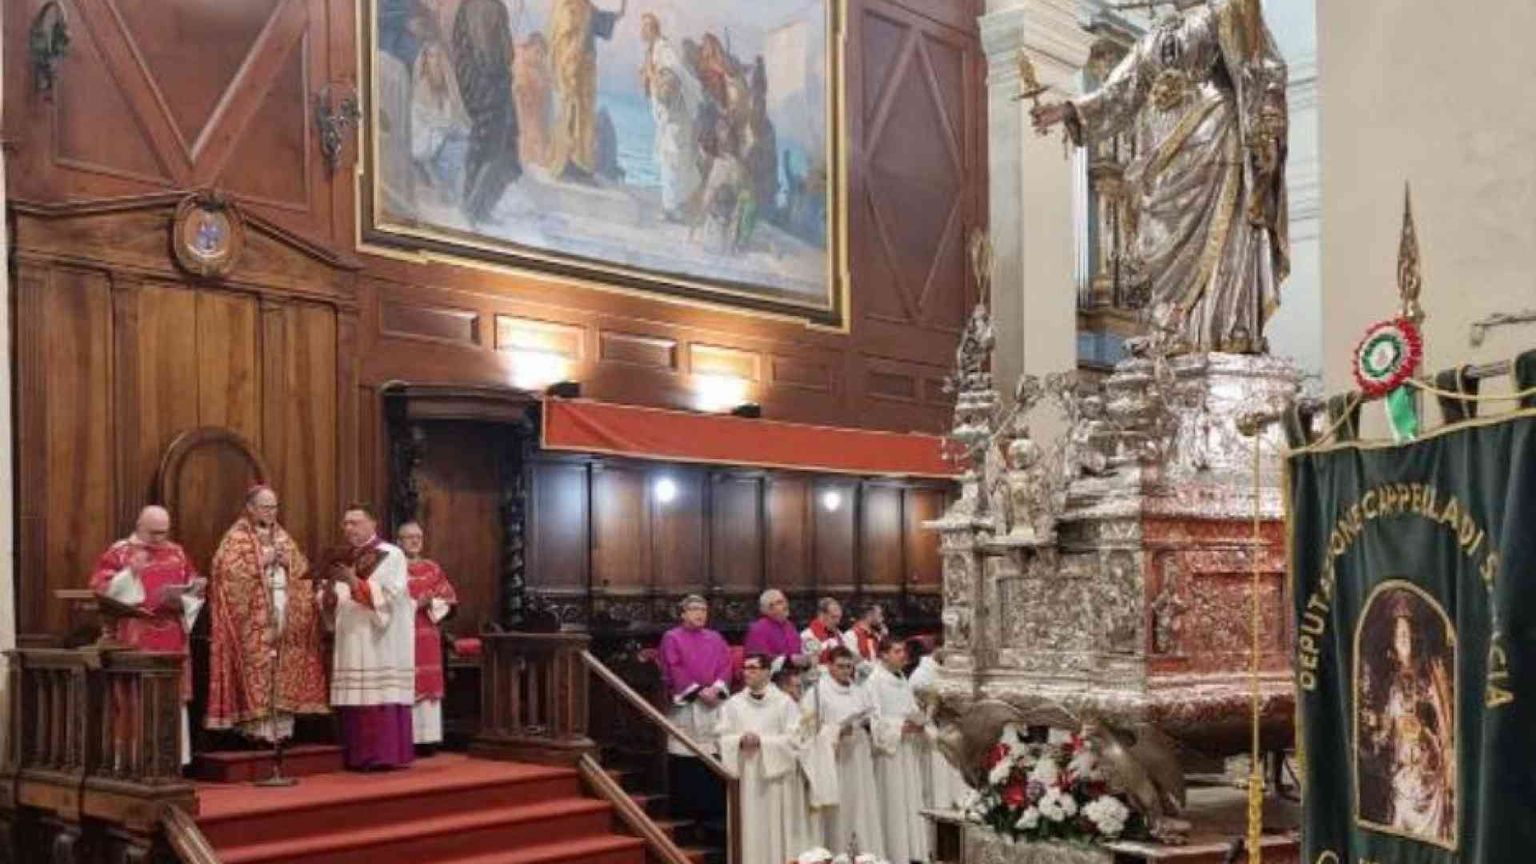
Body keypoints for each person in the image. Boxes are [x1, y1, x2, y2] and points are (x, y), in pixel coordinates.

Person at [1030, 0, 1288, 354]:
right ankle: (1170, 328)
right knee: (1160, 238)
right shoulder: (1152, 38)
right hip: (1160, 151)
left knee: (1220, 232)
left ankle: (1220, 329)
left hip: (1213, 137)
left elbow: (1260, 69)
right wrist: (1069, 110)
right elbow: (1118, 92)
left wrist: (1265, 125)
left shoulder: (1226, 10)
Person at [207, 486, 329, 743]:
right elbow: (226, 573)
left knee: (282, 667)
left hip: (284, 608)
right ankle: (256, 732)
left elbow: (303, 570)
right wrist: (262, 561)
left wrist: (289, 563)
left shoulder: (283, 536)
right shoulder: (237, 537)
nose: (271, 513)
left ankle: (281, 732)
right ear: (250, 508)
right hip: (253, 617)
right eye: (265, 507)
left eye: (274, 507)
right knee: (258, 668)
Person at [90, 506, 206, 764]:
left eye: (163, 532)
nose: (158, 539)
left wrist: (192, 593)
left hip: (172, 635)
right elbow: (100, 589)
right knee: (135, 698)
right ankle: (133, 761)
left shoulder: (176, 552)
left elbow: (192, 583)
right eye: (153, 533)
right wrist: (129, 574)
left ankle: (172, 759)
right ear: (139, 526)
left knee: (171, 698)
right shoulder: (120, 552)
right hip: (134, 636)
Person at [323, 504, 416, 770]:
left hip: (379, 638)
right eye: (346, 523)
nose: (349, 528)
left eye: (355, 522)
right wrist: (328, 590)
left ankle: (383, 755)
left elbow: (388, 596)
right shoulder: (345, 557)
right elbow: (335, 599)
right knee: (356, 697)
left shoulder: (390, 554)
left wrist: (353, 582)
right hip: (351, 632)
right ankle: (357, 755)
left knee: (378, 695)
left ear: (373, 524)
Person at [716, 654, 816, 864]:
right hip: (745, 778)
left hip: (776, 779)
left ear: (768, 672)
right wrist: (739, 740)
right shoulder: (733, 704)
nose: (748, 672)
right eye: (745, 668)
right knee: (748, 827)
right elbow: (720, 737)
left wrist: (762, 742)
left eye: (754, 668)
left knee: (777, 828)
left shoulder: (784, 702)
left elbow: (795, 739)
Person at [658, 594, 732, 828]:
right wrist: (699, 691)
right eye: (694, 609)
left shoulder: (715, 637)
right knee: (687, 755)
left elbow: (726, 663)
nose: (700, 613)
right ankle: (689, 813)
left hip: (714, 703)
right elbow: (674, 666)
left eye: (703, 609)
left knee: (714, 753)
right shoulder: (672, 637)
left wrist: (717, 687)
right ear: (682, 614)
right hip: (688, 704)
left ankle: (714, 811)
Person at [811, 646, 885, 858]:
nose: (846, 671)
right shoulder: (818, 692)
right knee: (840, 809)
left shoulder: (859, 691)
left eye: (849, 666)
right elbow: (808, 731)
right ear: (829, 666)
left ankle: (863, 853)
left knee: (860, 804)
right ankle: (836, 853)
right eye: (840, 666)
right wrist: (836, 731)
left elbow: (872, 716)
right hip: (835, 760)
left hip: (858, 756)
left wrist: (868, 722)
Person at [451, 0, 521, 222]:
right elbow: (490, 54)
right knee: (491, 149)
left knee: (498, 148)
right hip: (490, 87)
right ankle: (474, 209)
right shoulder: (485, 5)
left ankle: (477, 208)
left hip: (487, 86)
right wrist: (499, 70)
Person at [548, 0, 627, 183]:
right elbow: (565, 36)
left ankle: (579, 162)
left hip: (585, 70)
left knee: (583, 117)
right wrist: (570, 67)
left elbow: (597, 23)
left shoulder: (584, 6)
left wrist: (617, 15)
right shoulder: (566, 6)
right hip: (572, 70)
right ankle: (564, 162)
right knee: (570, 114)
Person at [867, 639, 930, 864]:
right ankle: (894, 853)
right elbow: (873, 719)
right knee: (893, 801)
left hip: (907, 748)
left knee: (910, 798)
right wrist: (899, 727)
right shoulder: (874, 681)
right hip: (889, 753)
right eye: (897, 651)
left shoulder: (901, 678)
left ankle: (912, 852)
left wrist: (920, 721)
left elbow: (910, 709)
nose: (903, 655)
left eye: (903, 651)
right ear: (883, 654)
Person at [398, 522, 458, 749]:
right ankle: (408, 738)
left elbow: (448, 596)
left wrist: (432, 602)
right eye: (409, 537)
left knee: (429, 686)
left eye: (418, 537)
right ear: (398, 541)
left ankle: (429, 739)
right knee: (408, 681)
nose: (414, 541)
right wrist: (415, 603)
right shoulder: (393, 566)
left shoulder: (432, 567)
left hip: (428, 631)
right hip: (403, 632)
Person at [640, 13, 702, 220]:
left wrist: (650, 76)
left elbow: (667, 86)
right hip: (669, 119)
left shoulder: (664, 51)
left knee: (673, 161)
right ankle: (674, 206)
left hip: (675, 118)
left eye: (645, 27)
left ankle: (672, 208)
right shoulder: (653, 50)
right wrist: (647, 76)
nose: (641, 30)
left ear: (653, 29)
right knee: (672, 161)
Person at [907, 640, 972, 812]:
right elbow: (920, 705)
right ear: (939, 650)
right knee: (939, 780)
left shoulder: (947, 671)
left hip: (954, 727)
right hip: (935, 729)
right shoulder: (921, 674)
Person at [513, 33, 555, 168]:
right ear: (529, 47)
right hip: (520, 113)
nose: (539, 57)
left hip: (536, 116)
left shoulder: (541, 69)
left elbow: (549, 89)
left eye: (542, 54)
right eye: (537, 52)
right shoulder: (518, 62)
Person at [744, 589, 807, 667]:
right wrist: (789, 660)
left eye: (785, 601)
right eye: (779, 602)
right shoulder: (758, 629)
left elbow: (799, 651)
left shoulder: (789, 625)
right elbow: (759, 660)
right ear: (768, 609)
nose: (785, 605)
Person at [800, 597, 845, 669]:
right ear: (821, 615)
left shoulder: (840, 635)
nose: (837, 622)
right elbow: (811, 666)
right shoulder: (808, 636)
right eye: (833, 617)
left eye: (839, 618)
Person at [842, 602, 885, 677]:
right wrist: (877, 672)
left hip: (878, 681)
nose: (882, 619)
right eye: (880, 615)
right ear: (869, 615)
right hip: (859, 683)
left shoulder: (877, 636)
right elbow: (855, 660)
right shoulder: (850, 635)